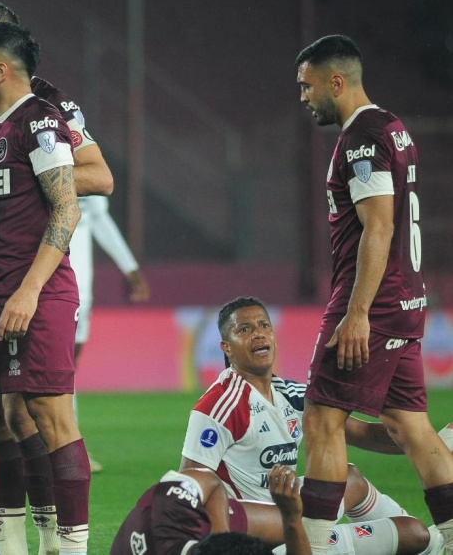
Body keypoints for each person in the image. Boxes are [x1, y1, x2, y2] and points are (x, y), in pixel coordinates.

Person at [0, 1, 114, 555]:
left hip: (36, 291)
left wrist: (29, 291)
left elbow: (68, 208)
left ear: (2, 65)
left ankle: (67, 545)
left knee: (47, 416)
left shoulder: (45, 120)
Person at [294, 34, 453, 553]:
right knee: (411, 426)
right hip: (406, 300)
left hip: (374, 303)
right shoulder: (393, 127)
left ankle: (316, 545)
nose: (303, 97)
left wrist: (357, 312)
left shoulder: (362, 136)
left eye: (307, 86)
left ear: (335, 82)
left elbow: (378, 227)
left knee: (321, 417)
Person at [180, 296, 434, 555]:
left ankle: (430, 546)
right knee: (415, 535)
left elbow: (364, 434)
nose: (258, 334)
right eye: (244, 330)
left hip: (289, 509)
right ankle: (432, 545)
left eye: (264, 325)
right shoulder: (220, 405)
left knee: (350, 478)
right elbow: (188, 490)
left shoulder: (292, 395)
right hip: (260, 535)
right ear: (227, 347)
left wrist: (429, 440)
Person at [69, 193, 150, 473]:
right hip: (49, 281)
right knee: (59, 365)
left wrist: (130, 268)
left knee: (67, 366)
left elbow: (99, 218)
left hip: (82, 289)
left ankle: (65, 446)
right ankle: (68, 447)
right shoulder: (34, 153)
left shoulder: (85, 154)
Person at [110, 464, 310, 555]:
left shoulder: (171, 509)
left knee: (305, 522)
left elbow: (210, 481)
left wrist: (222, 536)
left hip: (203, 526)